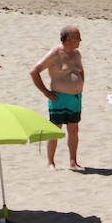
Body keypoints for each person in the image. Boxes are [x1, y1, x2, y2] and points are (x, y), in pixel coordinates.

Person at [30, 25, 85, 170]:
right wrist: (45, 92)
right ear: (67, 39)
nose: (80, 40)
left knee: (74, 130)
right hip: (58, 98)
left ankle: (73, 162)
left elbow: (81, 71)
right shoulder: (55, 54)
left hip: (75, 98)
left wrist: (80, 87)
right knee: (55, 129)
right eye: (77, 37)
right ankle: (51, 162)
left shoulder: (77, 54)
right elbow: (34, 71)